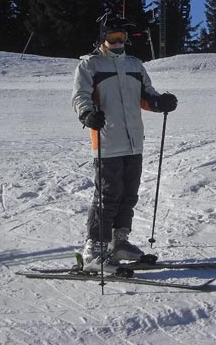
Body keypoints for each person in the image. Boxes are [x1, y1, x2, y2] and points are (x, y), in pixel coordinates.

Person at [72, 16, 178, 272]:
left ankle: (119, 242)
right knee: (108, 196)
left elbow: (146, 96)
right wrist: (88, 115)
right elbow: (80, 96)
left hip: (134, 142)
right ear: (102, 39)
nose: (119, 43)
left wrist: (159, 102)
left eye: (123, 38)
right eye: (113, 38)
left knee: (128, 195)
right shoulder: (90, 65)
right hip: (107, 141)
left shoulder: (134, 65)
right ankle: (95, 250)